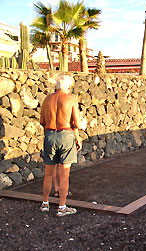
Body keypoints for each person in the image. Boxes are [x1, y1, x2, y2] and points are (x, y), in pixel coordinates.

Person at [39, 74, 82, 217]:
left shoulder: (47, 99)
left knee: (48, 174)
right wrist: (77, 138)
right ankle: (62, 207)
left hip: (50, 135)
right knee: (64, 175)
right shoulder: (71, 99)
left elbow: (42, 121)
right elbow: (76, 123)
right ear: (68, 86)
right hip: (66, 135)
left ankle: (45, 204)